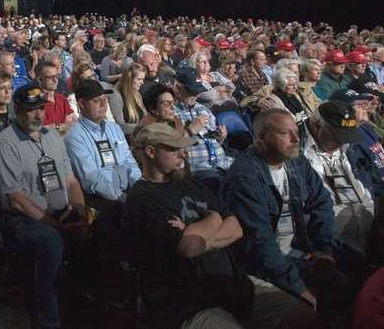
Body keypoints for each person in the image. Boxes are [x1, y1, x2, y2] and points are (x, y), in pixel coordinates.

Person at [124, 123, 319, 329]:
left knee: (304, 316)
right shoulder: (142, 199)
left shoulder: (192, 184)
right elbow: (189, 247)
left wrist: (203, 230)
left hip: (234, 285)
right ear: (150, 151)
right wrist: (214, 219)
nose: (183, 155)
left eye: (182, 148)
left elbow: (235, 229)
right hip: (187, 302)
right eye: (173, 149)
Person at [220, 109, 354, 320]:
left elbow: (322, 202)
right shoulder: (244, 177)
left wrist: (322, 249)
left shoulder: (295, 162)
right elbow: (260, 243)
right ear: (261, 137)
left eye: (295, 131)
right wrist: (298, 288)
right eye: (285, 133)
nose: (295, 138)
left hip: (297, 252)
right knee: (307, 312)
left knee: (346, 282)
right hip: (259, 266)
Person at [0, 82, 88, 329]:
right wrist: (53, 224)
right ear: (17, 109)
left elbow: (70, 179)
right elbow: (16, 199)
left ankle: (83, 304)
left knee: (97, 227)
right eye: (31, 110)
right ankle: (47, 319)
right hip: (24, 218)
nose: (38, 115)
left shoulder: (53, 135)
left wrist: (80, 211)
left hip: (60, 212)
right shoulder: (5, 144)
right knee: (50, 242)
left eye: (41, 109)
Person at [302, 101, 376, 258]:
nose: (343, 141)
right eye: (338, 136)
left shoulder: (354, 143)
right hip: (330, 248)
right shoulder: (295, 150)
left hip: (371, 238)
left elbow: (374, 177)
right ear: (316, 126)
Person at [64, 80, 141, 208]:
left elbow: (129, 161)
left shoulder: (114, 128)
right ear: (82, 104)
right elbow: (90, 179)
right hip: (102, 201)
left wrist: (138, 189)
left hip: (128, 194)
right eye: (96, 101)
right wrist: (123, 199)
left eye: (104, 100)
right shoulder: (74, 137)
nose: (103, 104)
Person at [173, 67, 232, 188]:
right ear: (178, 88)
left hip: (222, 163)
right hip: (199, 169)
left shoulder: (203, 109)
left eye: (197, 91)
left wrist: (220, 136)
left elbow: (213, 139)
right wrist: (190, 130)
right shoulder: (172, 113)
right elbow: (170, 148)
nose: (195, 94)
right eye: (191, 91)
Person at [36, 60, 75, 135]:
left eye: (56, 76)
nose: (55, 80)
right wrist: (59, 127)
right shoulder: (36, 102)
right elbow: (40, 130)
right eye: (51, 77)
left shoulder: (62, 99)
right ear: (40, 80)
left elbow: (72, 122)